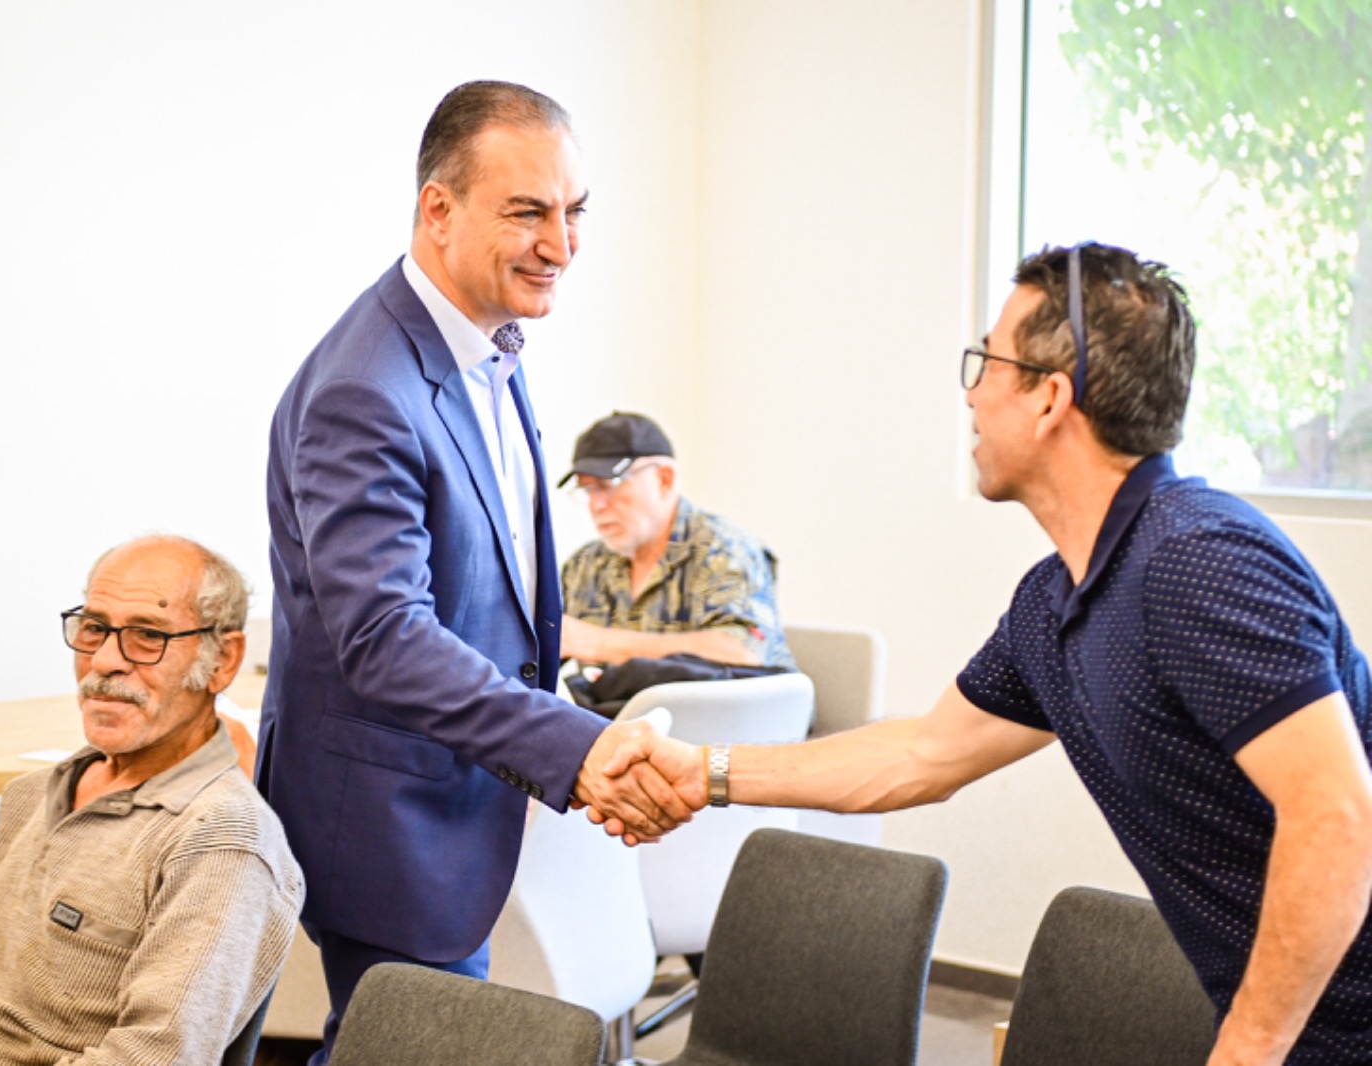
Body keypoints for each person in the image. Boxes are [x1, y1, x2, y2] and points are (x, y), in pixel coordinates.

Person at [601, 243, 1372, 1064]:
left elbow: (1336, 816)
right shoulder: (1056, 601)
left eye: (988, 363)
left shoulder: (1195, 560)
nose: (970, 393)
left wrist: (1248, 1050)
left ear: (1050, 398)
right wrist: (704, 772)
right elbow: (920, 755)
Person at [257, 80, 689, 1063]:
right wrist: (574, 746)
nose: (560, 245)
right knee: (413, 1048)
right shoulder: (366, 388)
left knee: (405, 1045)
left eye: (575, 212)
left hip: (457, 792)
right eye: (528, 211)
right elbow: (384, 637)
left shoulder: (487, 344)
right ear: (438, 209)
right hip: (389, 811)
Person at [0, 535, 304, 1065]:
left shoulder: (221, 840)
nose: (104, 661)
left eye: (147, 636)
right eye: (94, 628)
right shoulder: (34, 794)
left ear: (222, 660)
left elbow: (152, 1056)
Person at [558, 410, 795, 670]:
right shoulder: (584, 566)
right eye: (588, 489)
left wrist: (598, 643)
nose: (596, 504)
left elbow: (744, 650)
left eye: (609, 484)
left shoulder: (725, 547)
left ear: (664, 479)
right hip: (618, 699)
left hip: (718, 699)